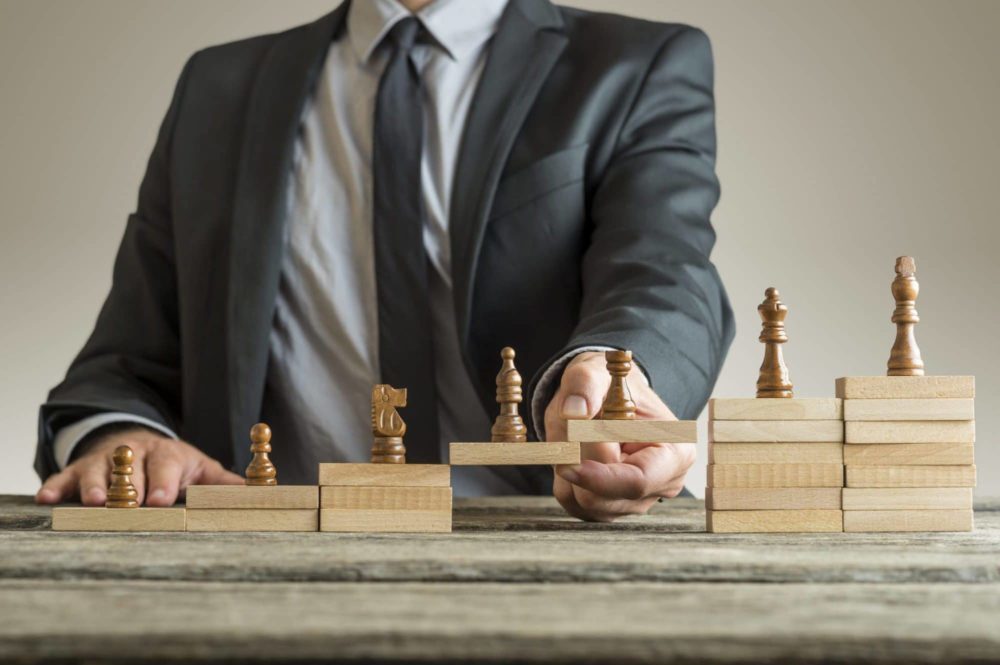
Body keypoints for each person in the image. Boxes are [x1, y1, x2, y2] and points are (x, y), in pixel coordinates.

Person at [34, 0, 734, 522]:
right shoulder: (216, 89)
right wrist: (126, 441)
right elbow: (122, 367)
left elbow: (665, 271)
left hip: (556, 545)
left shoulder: (637, 66)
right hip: (268, 577)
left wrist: (621, 377)